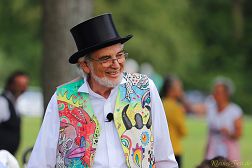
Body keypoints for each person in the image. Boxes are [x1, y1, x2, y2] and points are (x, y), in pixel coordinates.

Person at [28, 13, 178, 167]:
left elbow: (164, 156)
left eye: (119, 55)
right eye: (106, 58)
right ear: (86, 65)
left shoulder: (145, 89)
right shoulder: (63, 98)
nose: (116, 64)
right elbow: (41, 161)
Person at [192, 76, 243, 161]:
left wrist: (229, 133)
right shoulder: (211, 109)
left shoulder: (235, 111)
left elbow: (238, 133)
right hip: (212, 152)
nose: (214, 94)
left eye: (218, 92)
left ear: (226, 94)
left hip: (229, 153)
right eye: (214, 92)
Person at [160, 75, 187, 168]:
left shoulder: (160, 104)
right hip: (174, 150)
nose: (181, 90)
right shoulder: (176, 107)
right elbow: (183, 131)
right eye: (179, 87)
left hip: (160, 150)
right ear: (171, 90)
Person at [0, 71, 29, 155]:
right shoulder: (2, 102)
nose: (23, 88)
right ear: (11, 85)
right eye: (19, 85)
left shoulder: (15, 103)